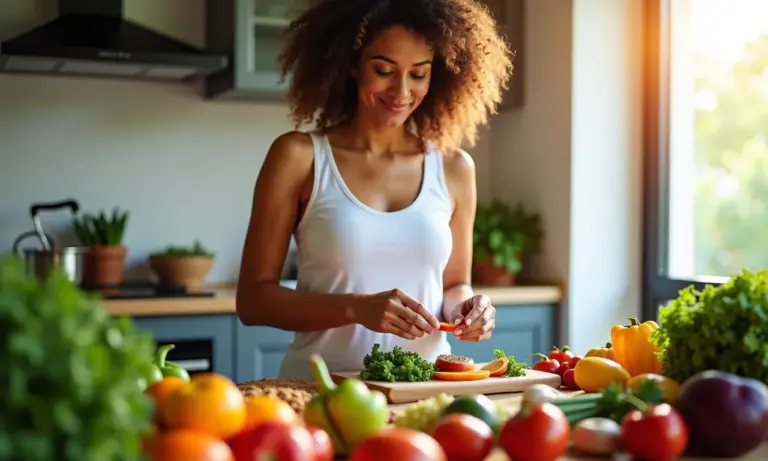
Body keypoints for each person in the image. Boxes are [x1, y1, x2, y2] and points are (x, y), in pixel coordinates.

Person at [236, 0, 514, 380]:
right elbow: (253, 301)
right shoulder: (299, 157)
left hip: (424, 388)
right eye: (384, 70)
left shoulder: (454, 168)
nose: (401, 90)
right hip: (320, 390)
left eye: (418, 73)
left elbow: (454, 284)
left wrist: (468, 308)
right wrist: (355, 308)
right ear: (352, 64)